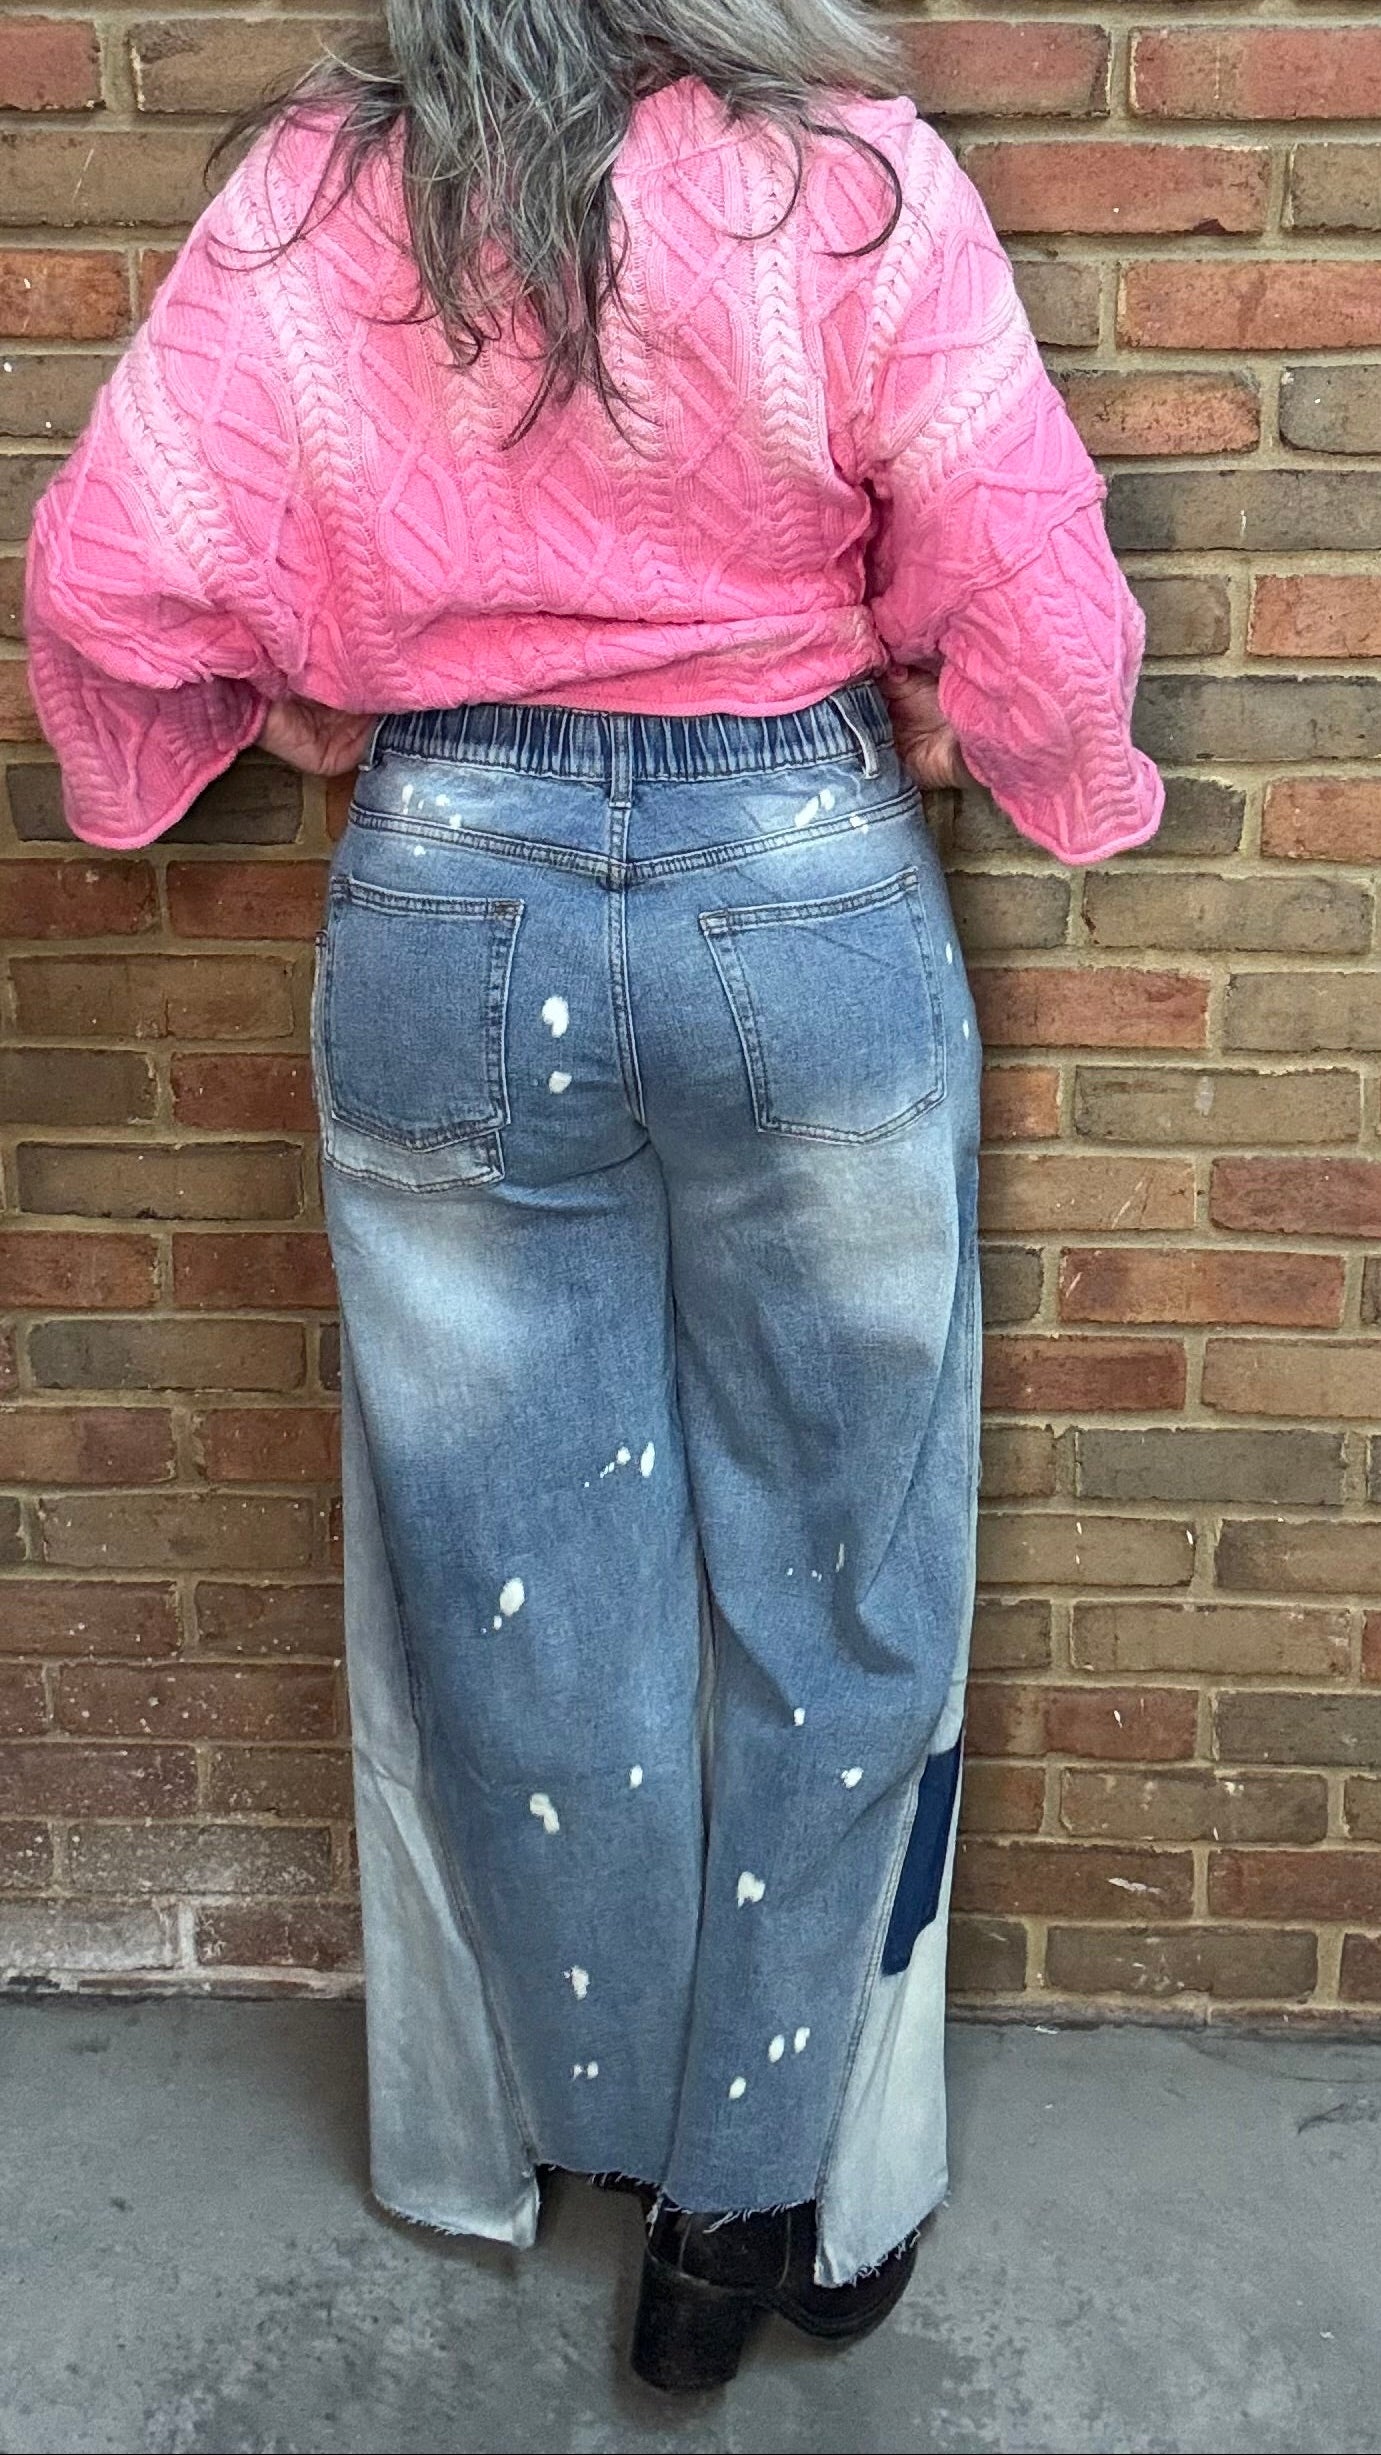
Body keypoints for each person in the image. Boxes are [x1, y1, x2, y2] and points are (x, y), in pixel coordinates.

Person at [22, 0, 1163, 2394]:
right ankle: (769, 2189)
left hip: (449, 904)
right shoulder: (841, 176)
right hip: (803, 881)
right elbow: (1036, 600)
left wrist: (308, 715)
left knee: (525, 1594)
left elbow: (116, 582)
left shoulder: (315, 193)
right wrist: (1012, 742)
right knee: (842, 1582)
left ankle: (611, 2144)